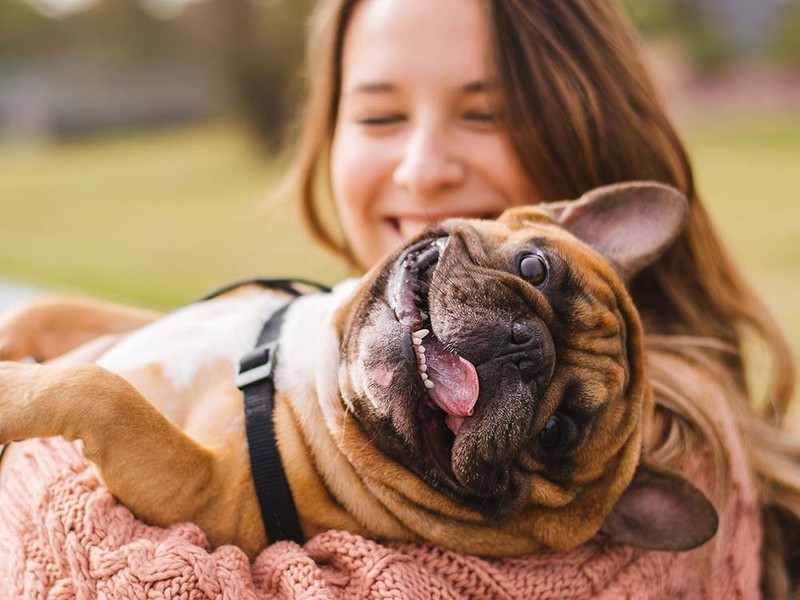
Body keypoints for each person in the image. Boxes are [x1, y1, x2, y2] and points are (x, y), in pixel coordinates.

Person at [1, 0, 798, 596]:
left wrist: (48, 429)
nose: (422, 169)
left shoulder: (674, 450)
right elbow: (190, 354)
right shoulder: (335, 334)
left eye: (558, 429)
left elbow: (92, 571)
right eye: (380, 113)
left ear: (587, 131)